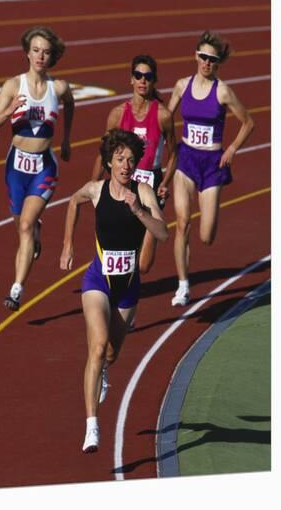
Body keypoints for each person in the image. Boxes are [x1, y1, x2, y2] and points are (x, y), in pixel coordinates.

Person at [60, 129, 168, 453]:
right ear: (109, 162)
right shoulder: (95, 190)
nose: (126, 165)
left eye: (131, 160)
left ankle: (105, 371)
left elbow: (162, 232)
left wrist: (139, 211)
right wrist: (67, 244)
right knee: (96, 347)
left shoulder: (144, 191)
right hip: (97, 281)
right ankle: (92, 425)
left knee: (110, 353)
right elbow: (72, 202)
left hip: (128, 287)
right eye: (120, 159)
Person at [0, 25, 74, 311]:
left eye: (46, 52)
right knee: (21, 227)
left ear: (52, 57)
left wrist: (67, 140)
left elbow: (70, 105)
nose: (40, 56)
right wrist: (10, 110)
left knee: (24, 225)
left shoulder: (58, 88)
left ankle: (16, 290)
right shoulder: (13, 86)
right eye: (36, 50)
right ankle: (35, 233)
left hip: (44, 167)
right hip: (16, 167)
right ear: (27, 52)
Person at [168, 30, 254, 306]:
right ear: (196, 55)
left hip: (211, 165)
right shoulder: (182, 85)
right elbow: (165, 118)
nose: (207, 63)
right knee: (182, 223)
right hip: (186, 159)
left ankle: (185, 280)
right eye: (203, 57)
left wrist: (231, 149)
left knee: (206, 236)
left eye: (212, 60)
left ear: (218, 63)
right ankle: (183, 286)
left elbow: (248, 122)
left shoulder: (224, 91)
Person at [91, 55, 176, 275]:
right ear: (131, 79)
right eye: (138, 75)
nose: (142, 80)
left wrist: (165, 182)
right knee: (122, 240)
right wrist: (94, 184)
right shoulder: (118, 114)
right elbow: (103, 153)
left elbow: (174, 154)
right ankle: (120, 288)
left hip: (150, 186)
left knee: (144, 264)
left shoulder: (163, 116)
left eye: (147, 76)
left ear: (154, 80)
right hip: (123, 182)